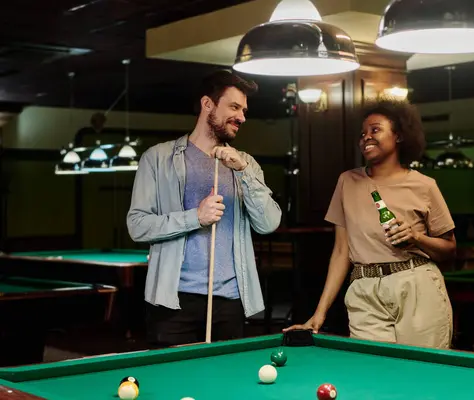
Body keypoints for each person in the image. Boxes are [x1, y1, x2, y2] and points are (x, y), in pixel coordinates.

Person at [126, 69, 282, 347]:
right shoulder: (158, 158)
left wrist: (243, 172)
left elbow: (269, 223)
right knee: (173, 388)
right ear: (207, 104)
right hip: (173, 299)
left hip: (231, 300)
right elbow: (137, 226)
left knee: (225, 388)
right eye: (234, 107)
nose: (242, 117)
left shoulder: (245, 163)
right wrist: (195, 217)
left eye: (244, 110)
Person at [285, 98, 456, 349]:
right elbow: (341, 252)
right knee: (372, 373)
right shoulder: (347, 182)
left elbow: (450, 249)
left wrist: (417, 237)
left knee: (421, 374)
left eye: (375, 130)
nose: (366, 137)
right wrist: (319, 313)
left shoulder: (424, 185)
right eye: (363, 133)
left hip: (417, 286)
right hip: (364, 290)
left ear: (398, 135)